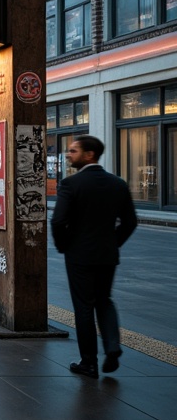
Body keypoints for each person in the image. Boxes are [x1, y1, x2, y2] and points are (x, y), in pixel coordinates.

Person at [50, 134, 137, 379]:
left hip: (79, 255)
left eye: (73, 151)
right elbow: (130, 222)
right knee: (104, 300)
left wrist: (64, 245)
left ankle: (88, 362)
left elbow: (58, 221)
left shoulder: (71, 184)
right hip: (107, 253)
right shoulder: (117, 183)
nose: (69, 154)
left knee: (84, 306)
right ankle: (112, 347)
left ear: (89, 154)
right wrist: (113, 242)